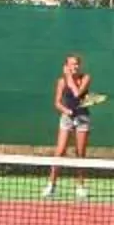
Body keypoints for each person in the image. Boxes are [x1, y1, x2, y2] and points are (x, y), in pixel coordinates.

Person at [43, 52, 93, 197]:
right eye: (72, 64)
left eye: (77, 64)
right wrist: (68, 111)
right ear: (66, 66)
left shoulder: (86, 78)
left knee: (80, 153)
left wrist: (70, 78)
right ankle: (51, 185)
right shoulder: (61, 81)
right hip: (67, 117)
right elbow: (57, 103)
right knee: (60, 151)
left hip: (82, 117)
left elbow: (77, 94)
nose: (75, 66)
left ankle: (80, 186)